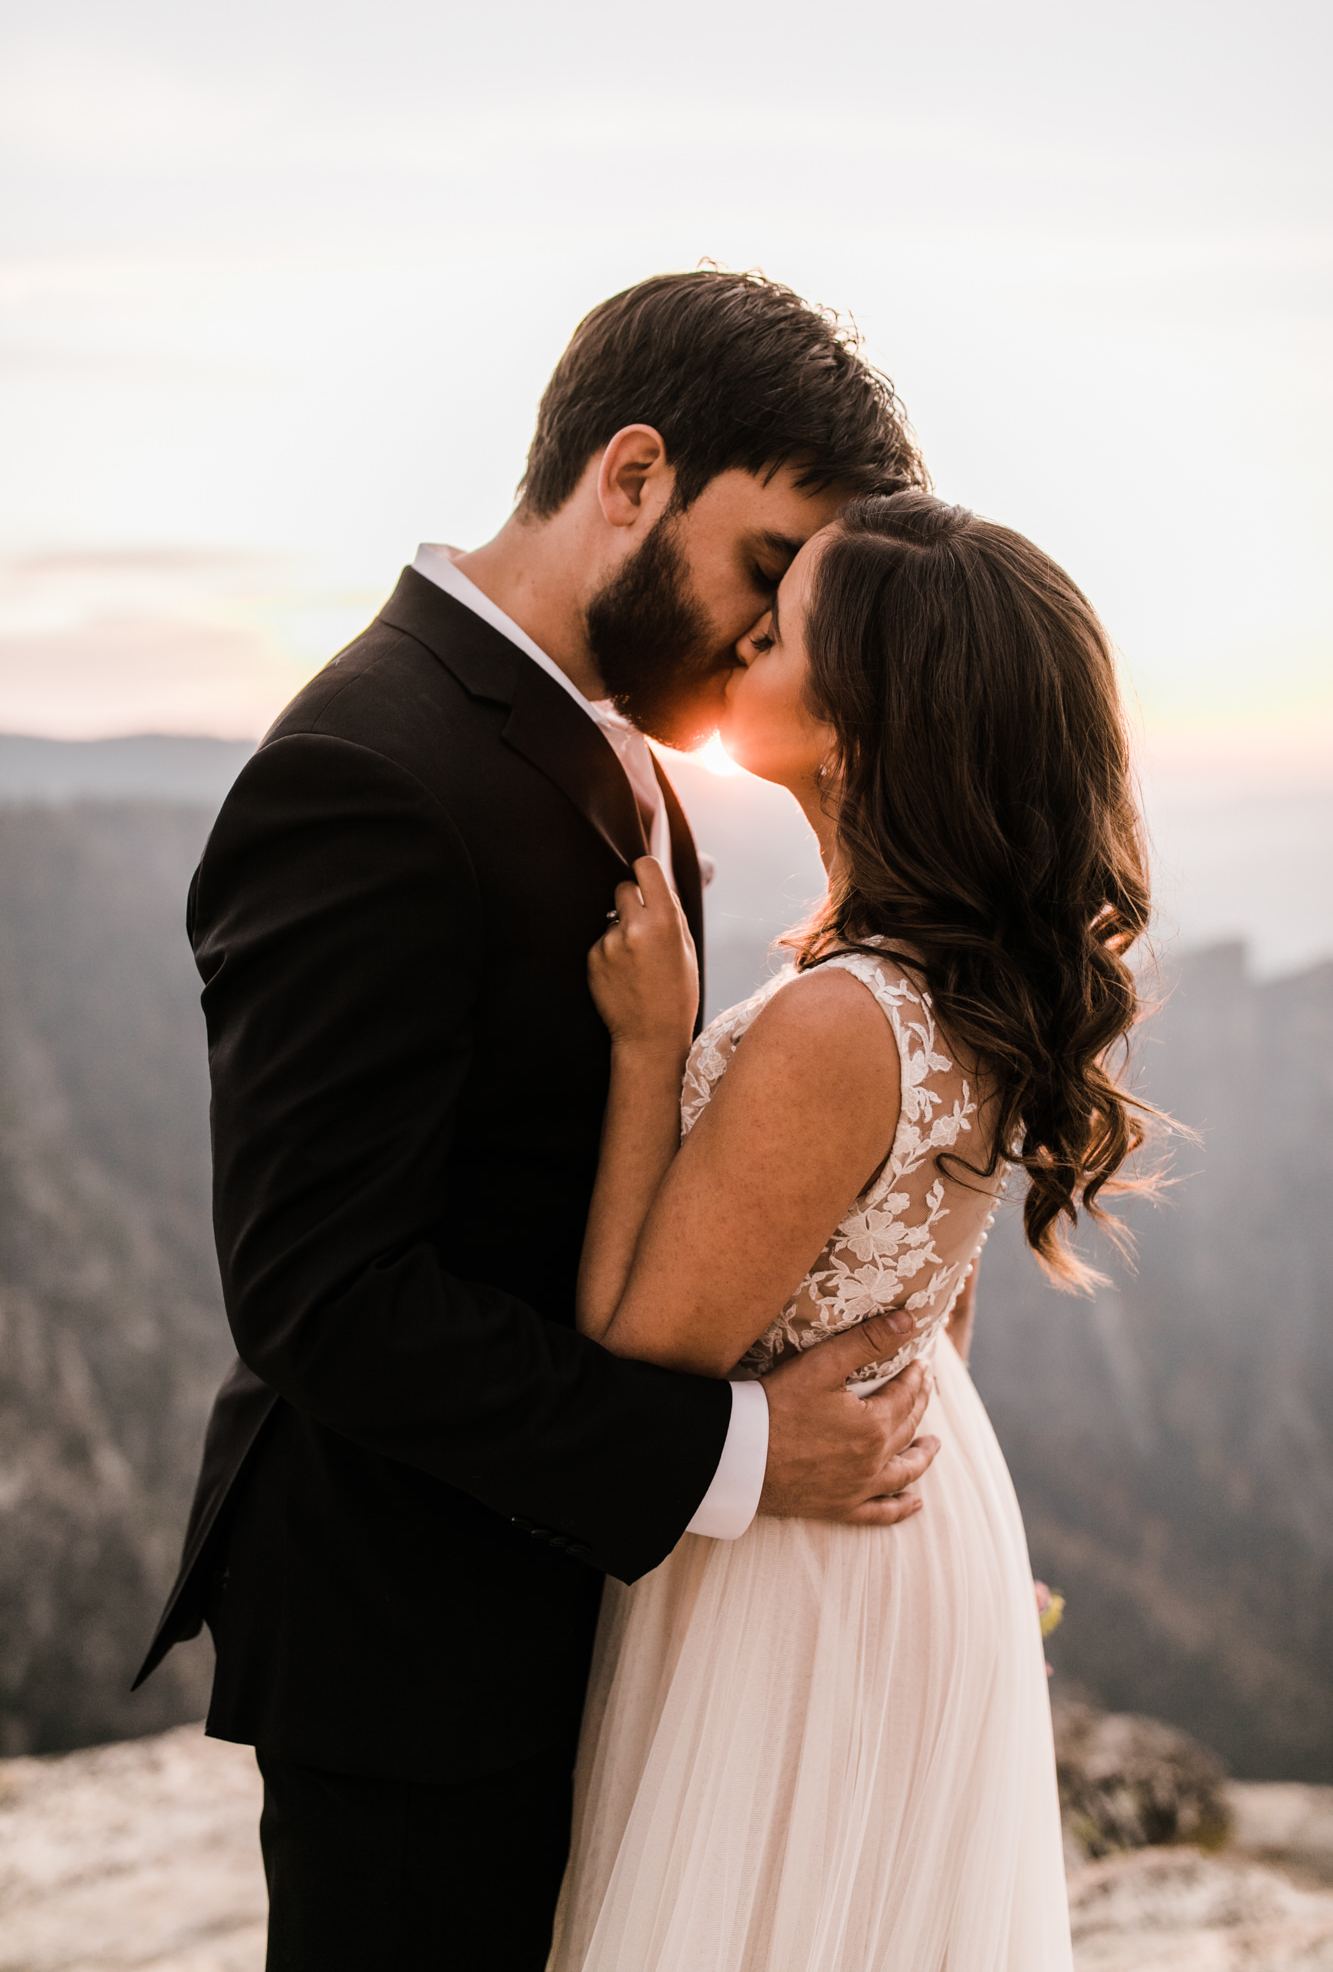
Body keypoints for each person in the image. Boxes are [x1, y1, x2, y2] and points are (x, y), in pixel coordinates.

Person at [133, 270, 940, 1969]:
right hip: (414, 1649)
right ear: (631, 477)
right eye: (773, 568)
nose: (767, 633)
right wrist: (736, 1456)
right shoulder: (361, 770)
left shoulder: (641, 759)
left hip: (593, 1617)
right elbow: (320, 1298)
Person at [549, 490, 1156, 1970]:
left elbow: (640, 1342)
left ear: (853, 728)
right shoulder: (962, 984)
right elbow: (931, 1290)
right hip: (902, 1510)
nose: (740, 640)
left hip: (800, 1562)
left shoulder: (838, 1020)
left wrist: (650, 1049)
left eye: (778, 629)